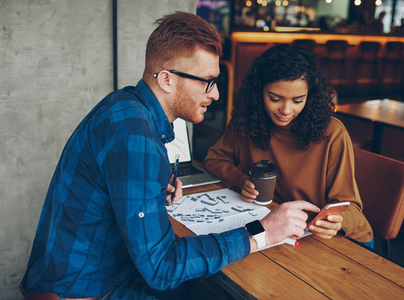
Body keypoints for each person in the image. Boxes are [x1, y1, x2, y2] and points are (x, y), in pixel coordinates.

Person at [20, 12, 320, 300]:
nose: (215, 94)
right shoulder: (135, 139)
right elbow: (162, 268)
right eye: (207, 81)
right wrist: (262, 232)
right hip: (86, 291)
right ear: (167, 79)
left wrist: (154, 183)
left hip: (83, 277)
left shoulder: (125, 105)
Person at [204, 45, 374, 245]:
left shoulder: (332, 134)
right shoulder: (246, 122)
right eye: (275, 99)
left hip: (334, 239)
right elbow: (214, 159)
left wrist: (337, 221)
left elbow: (351, 207)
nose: (285, 110)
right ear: (259, 93)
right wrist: (240, 180)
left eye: (298, 100)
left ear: (309, 97)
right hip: (279, 229)